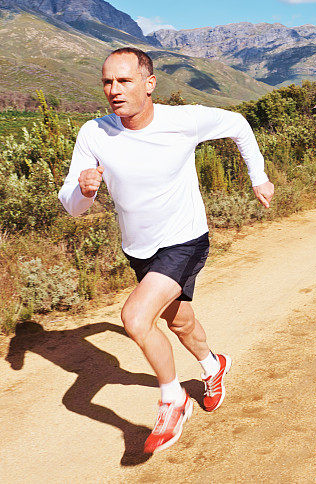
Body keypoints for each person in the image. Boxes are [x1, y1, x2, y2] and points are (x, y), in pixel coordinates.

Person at [58, 47, 274, 454]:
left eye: (124, 81)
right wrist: (83, 190)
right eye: (107, 82)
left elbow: (239, 124)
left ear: (149, 83)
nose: (114, 90)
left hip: (185, 239)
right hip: (138, 250)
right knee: (179, 322)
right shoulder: (94, 133)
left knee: (136, 318)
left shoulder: (184, 121)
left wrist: (258, 177)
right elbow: (72, 206)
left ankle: (172, 401)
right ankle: (214, 366)